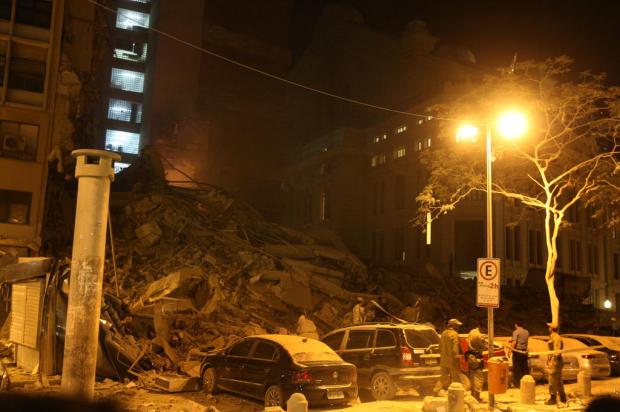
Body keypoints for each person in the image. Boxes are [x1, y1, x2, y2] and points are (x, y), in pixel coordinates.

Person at [433, 318, 462, 395]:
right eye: (457, 325)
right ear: (454, 326)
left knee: (443, 376)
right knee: (456, 377)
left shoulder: (443, 333)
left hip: (444, 359)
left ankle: (436, 390)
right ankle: (458, 394)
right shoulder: (454, 334)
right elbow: (455, 347)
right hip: (452, 358)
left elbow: (440, 346)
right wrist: (456, 357)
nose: (458, 327)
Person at [545, 322, 566, 405]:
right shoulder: (552, 337)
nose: (548, 328)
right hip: (554, 361)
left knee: (552, 380)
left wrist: (553, 362)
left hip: (556, 361)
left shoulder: (556, 338)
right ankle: (563, 397)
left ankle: (553, 398)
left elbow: (556, 351)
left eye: (549, 327)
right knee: (558, 380)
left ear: (551, 328)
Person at [465, 325, 485, 402]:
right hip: (476, 357)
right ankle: (477, 397)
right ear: (481, 327)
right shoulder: (478, 336)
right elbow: (483, 346)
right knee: (479, 378)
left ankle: (473, 395)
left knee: (472, 377)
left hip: (470, 356)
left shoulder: (472, 332)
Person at [510, 321, 529, 388]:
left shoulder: (516, 331)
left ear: (516, 325)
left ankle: (518, 384)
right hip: (524, 351)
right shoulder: (526, 332)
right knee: (524, 368)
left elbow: (514, 342)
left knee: (517, 368)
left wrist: (510, 349)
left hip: (517, 351)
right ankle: (527, 383)